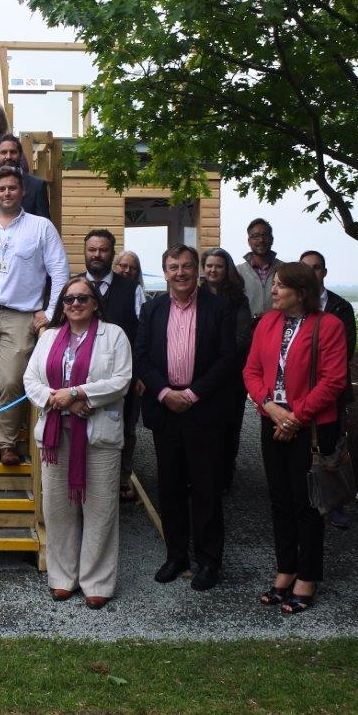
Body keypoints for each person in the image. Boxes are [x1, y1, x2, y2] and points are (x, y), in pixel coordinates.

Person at [244, 262, 348, 613]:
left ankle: (308, 575)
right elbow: (251, 371)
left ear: (301, 293)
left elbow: (334, 380)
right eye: (273, 284)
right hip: (272, 420)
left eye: (280, 285)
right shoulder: (267, 322)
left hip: (311, 427)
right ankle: (286, 568)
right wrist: (270, 407)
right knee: (280, 500)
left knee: (307, 503)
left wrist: (295, 418)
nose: (273, 290)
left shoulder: (328, 325)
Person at [23, 276, 132, 608]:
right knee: (57, 509)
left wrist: (77, 393)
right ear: (62, 305)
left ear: (95, 303)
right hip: (57, 435)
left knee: (100, 508)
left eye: (83, 298)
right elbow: (31, 379)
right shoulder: (49, 337)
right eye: (69, 299)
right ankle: (62, 578)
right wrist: (63, 402)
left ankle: (97, 580)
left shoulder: (114, 335)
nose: (75, 304)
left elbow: (121, 380)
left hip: (98, 435)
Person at [134, 245, 237, 592]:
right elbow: (141, 356)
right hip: (166, 409)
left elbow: (227, 358)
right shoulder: (151, 309)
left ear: (198, 270)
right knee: (170, 488)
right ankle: (176, 556)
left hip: (203, 409)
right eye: (174, 267)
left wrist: (192, 395)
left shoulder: (219, 308)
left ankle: (209, 561)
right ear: (165, 272)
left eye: (187, 266)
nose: (181, 273)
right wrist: (165, 393)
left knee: (206, 489)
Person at [0, 165, 69, 466]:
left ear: (22, 191)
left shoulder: (41, 227)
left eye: (12, 188)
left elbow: (59, 272)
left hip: (21, 316)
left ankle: (7, 444)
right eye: (1, 189)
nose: (7, 193)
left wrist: (51, 312)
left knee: (11, 382)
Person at [80, 230, 144, 502]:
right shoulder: (74, 287)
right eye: (92, 249)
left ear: (111, 254)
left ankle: (120, 479)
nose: (97, 255)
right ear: (85, 252)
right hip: (80, 376)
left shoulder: (131, 289)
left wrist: (140, 374)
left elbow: (142, 334)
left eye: (103, 250)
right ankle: (82, 480)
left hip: (123, 376)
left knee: (124, 428)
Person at [300, 249, 357, 530]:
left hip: (332, 392)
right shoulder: (293, 307)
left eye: (316, 267)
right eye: (305, 268)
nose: (311, 273)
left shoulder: (340, 307)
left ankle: (335, 504)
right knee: (302, 448)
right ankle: (307, 498)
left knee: (331, 447)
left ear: (324, 272)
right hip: (299, 392)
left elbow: (345, 351)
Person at [200, 247, 254, 494]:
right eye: (209, 265)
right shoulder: (196, 296)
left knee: (229, 426)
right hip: (201, 374)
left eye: (218, 266)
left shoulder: (238, 299)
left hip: (231, 375)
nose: (213, 270)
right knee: (203, 427)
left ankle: (224, 475)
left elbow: (242, 337)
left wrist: (218, 358)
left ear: (227, 269)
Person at [0, 135, 51, 221]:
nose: (8, 156)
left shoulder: (37, 185)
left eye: (13, 152)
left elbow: (44, 222)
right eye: (3, 152)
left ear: (20, 155)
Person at [236, 218, 282, 318]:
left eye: (265, 235)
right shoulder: (238, 272)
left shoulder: (284, 270)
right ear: (249, 241)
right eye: (256, 236)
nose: (261, 240)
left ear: (272, 240)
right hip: (247, 326)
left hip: (278, 325)